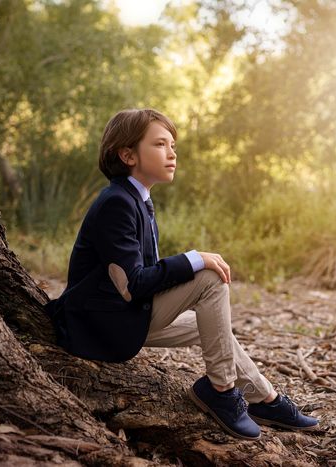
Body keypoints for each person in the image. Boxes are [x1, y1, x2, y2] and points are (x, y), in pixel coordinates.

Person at [44, 108, 318, 440]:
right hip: (100, 325)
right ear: (128, 154)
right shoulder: (116, 203)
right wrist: (193, 259)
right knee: (209, 278)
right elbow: (132, 285)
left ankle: (265, 399)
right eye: (160, 144)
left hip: (122, 317)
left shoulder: (137, 199)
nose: (172, 153)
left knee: (213, 327)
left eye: (172, 145)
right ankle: (221, 389)